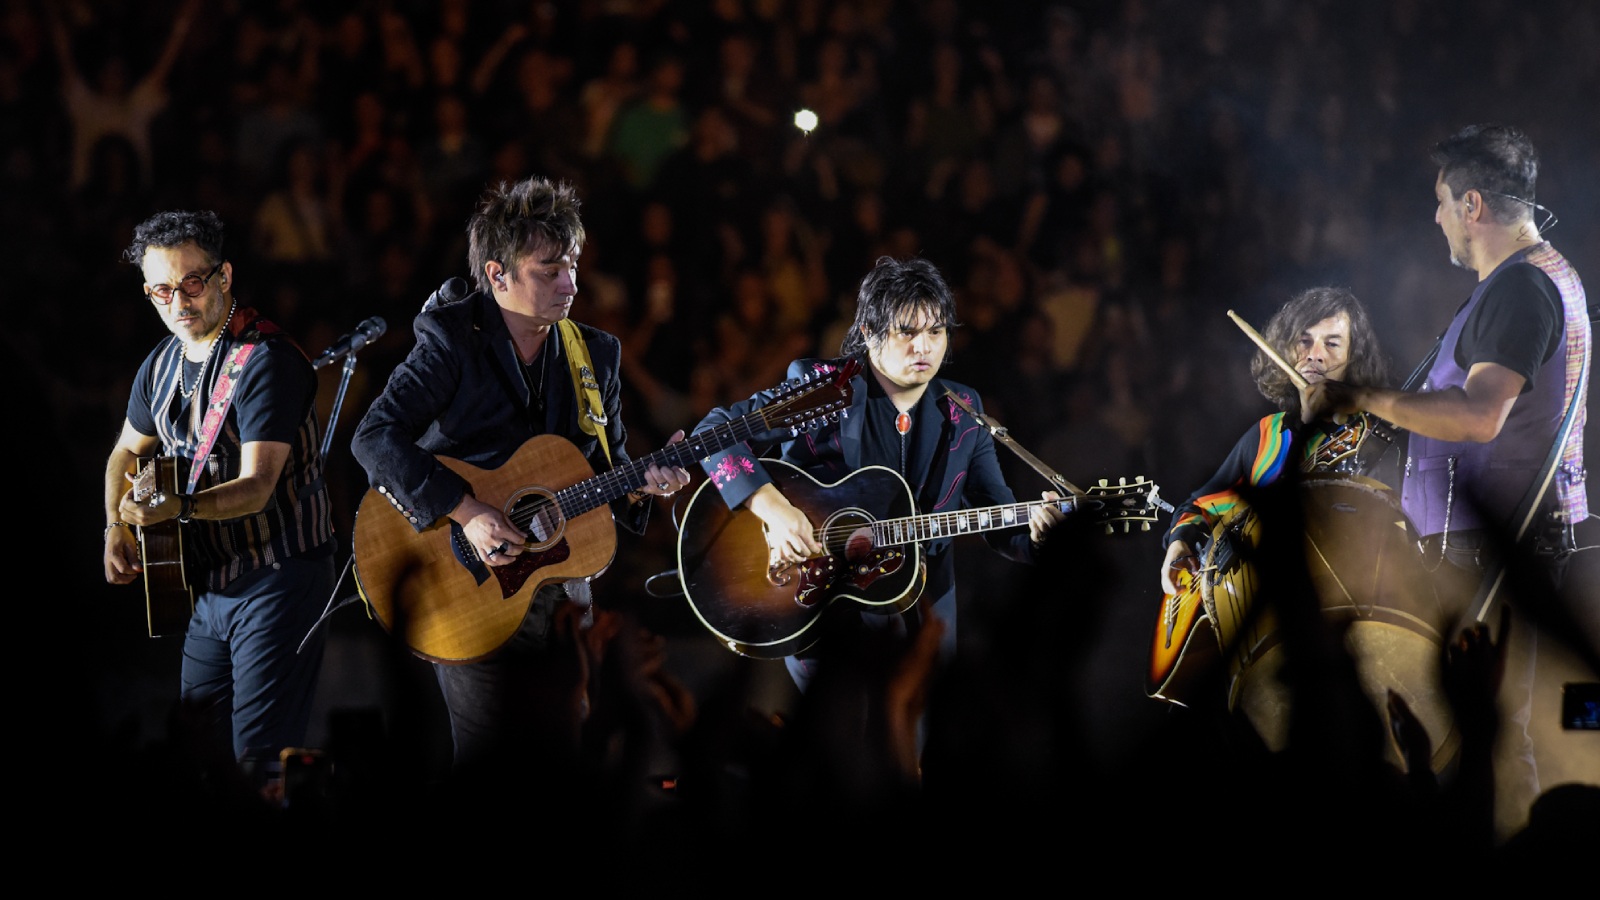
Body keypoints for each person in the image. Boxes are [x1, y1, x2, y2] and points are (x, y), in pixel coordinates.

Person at [349, 175, 691, 783]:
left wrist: (646, 482)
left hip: (557, 587)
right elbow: (374, 437)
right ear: (497, 274)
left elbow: (605, 473)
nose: (570, 284)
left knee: (568, 762)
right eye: (549, 269)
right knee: (488, 772)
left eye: (574, 266)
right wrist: (468, 511)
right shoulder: (452, 338)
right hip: (461, 580)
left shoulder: (597, 355)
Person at [1303, 123, 1593, 839]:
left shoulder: (1522, 289)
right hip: (1497, 546)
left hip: (1490, 553)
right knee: (1489, 734)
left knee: (1490, 740)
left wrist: (1360, 397)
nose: (1434, 219)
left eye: (1439, 202)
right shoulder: (1537, 275)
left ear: (1471, 206)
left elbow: (1479, 416)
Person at [690, 255, 1065, 695]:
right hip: (821, 597)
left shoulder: (964, 410)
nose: (924, 347)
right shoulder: (823, 389)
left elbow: (998, 517)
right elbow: (712, 433)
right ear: (868, 332)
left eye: (936, 331)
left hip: (925, 603)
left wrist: (1040, 535)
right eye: (906, 332)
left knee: (922, 751)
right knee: (845, 748)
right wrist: (773, 509)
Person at [102, 209, 336, 791]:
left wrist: (175, 508)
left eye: (191, 283)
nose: (177, 301)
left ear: (225, 276)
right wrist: (114, 526)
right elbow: (121, 456)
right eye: (161, 289)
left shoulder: (266, 361)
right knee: (198, 752)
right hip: (207, 583)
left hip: (281, 573)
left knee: (257, 758)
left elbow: (258, 487)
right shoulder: (159, 365)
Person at [1159, 286, 1394, 597]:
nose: (1315, 355)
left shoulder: (1377, 435)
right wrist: (1180, 542)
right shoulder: (1266, 435)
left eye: (1332, 344)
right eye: (1305, 341)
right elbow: (1200, 504)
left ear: (1354, 358)